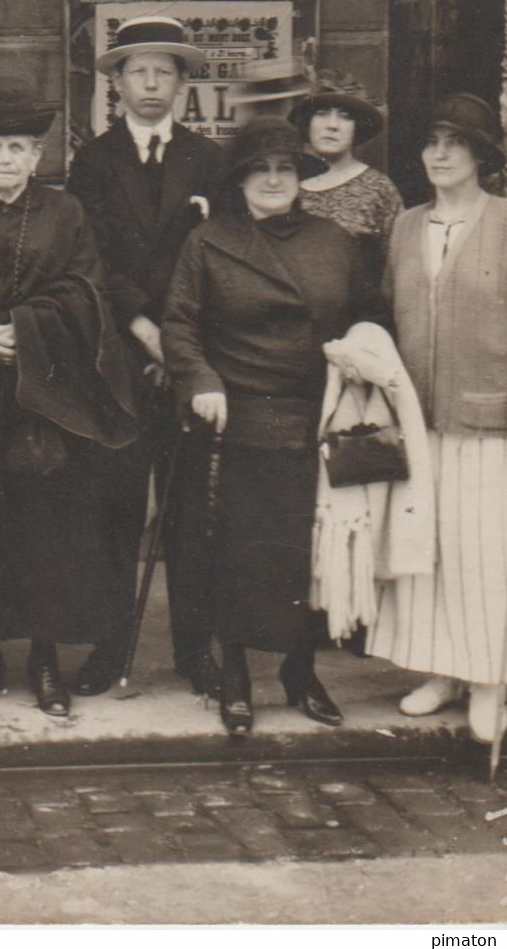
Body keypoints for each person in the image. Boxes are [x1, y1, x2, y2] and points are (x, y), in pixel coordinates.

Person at [163, 116, 384, 738]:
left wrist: (361, 353)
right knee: (237, 550)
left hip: (317, 414)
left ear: (300, 177)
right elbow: (179, 323)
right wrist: (201, 380)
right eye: (259, 170)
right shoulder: (209, 241)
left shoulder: (333, 241)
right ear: (239, 180)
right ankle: (234, 672)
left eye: (284, 169)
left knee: (305, 554)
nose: (273, 180)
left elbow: (370, 312)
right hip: (238, 416)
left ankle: (300, 670)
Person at [0, 86, 139, 718]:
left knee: (46, 532)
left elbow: (86, 290)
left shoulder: (66, 212)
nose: (5, 159)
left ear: (37, 153)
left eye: (18, 147)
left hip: (49, 398)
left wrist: (24, 327)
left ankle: (43, 661)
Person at [65, 15, 225, 697]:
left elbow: (218, 257)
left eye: (164, 71)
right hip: (121, 356)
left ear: (183, 84)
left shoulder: (209, 161)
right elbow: (86, 257)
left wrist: (177, 340)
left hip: (188, 354)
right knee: (115, 507)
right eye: (137, 71)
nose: (150, 83)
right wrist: (141, 327)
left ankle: (195, 651)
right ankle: (109, 644)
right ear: (116, 84)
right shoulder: (93, 161)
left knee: (190, 511)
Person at [367, 92, 507, 744]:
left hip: (488, 421)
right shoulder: (404, 226)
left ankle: (488, 681)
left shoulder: (504, 222)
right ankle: (440, 671)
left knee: (483, 553)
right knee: (429, 550)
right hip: (418, 419)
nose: (440, 154)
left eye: (455, 143)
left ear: (479, 156)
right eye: (431, 142)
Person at [294, 71, 403, 281]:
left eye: (345, 117)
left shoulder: (378, 189)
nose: (332, 125)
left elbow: (396, 268)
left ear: (357, 127)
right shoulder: (285, 183)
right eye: (323, 113)